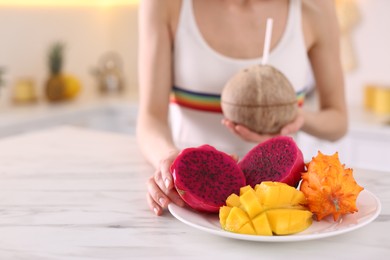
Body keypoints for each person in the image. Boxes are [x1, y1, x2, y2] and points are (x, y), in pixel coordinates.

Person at [136, 0, 348, 216]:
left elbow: (338, 121)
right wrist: (167, 160)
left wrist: (298, 118)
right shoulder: (165, 4)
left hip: (279, 201)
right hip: (190, 203)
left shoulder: (316, 7)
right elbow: (151, 118)